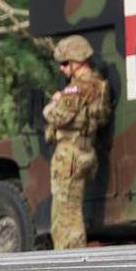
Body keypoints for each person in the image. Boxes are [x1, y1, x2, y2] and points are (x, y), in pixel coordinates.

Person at [43, 35, 110, 249]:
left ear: (78, 60)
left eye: (65, 63)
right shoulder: (98, 85)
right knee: (68, 210)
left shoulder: (77, 88)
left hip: (70, 155)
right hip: (84, 151)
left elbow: (58, 116)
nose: (62, 69)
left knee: (65, 216)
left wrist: (53, 103)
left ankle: (70, 262)